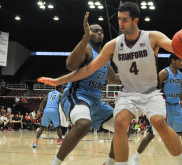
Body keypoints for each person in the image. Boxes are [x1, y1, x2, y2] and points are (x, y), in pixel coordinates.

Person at [38, 2, 182, 165]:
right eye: (119, 19)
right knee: (111, 124)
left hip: (141, 94)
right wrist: (58, 81)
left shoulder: (152, 37)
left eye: (125, 19)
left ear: (135, 21)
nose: (120, 23)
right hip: (106, 95)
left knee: (153, 124)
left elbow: (176, 47)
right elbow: (82, 69)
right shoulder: (107, 46)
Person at [42, 13, 122, 165]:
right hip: (77, 96)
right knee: (84, 124)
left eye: (101, 31)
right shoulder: (86, 50)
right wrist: (85, 38)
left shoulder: (105, 57)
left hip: (96, 103)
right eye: (95, 31)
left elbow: (114, 79)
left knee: (124, 128)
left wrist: (136, 71)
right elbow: (70, 65)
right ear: (88, 33)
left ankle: (110, 163)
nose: (100, 33)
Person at [129, 53, 182, 165]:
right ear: (173, 61)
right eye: (180, 60)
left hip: (176, 107)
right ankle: (134, 158)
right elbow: (153, 88)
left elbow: (179, 92)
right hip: (163, 106)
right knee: (151, 134)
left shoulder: (181, 75)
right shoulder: (164, 73)